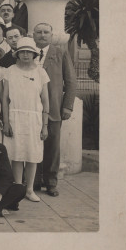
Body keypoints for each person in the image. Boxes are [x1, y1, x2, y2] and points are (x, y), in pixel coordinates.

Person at [1, 37, 50, 202]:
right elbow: (5, 99)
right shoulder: (10, 71)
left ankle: (29, 189)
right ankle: (17, 188)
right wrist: (7, 122)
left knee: (32, 154)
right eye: (22, 52)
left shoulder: (40, 72)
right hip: (15, 116)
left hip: (34, 118)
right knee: (16, 154)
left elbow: (45, 100)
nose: (26, 55)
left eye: (29, 52)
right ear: (17, 54)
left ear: (34, 54)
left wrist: (44, 126)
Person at [32, 23, 77, 197]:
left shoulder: (61, 53)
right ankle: (34, 180)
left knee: (52, 147)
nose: (42, 35)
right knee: (34, 144)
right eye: (39, 32)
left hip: (54, 109)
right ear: (33, 35)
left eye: (46, 32)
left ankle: (51, 182)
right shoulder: (27, 52)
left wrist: (67, 105)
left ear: (51, 35)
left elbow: (71, 81)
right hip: (32, 109)